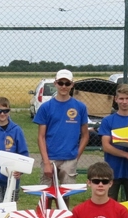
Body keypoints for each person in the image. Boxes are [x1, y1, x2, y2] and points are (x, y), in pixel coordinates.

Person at [34, 69, 88, 198]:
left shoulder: (80, 107)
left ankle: (64, 213)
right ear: (55, 84)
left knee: (65, 196)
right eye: (61, 83)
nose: (64, 86)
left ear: (72, 85)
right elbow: (41, 136)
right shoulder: (46, 107)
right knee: (46, 196)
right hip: (50, 157)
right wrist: (46, 162)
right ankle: (47, 212)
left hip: (69, 159)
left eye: (67, 83)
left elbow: (85, 135)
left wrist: (76, 156)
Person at [99, 84, 128, 202]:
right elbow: (106, 146)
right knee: (109, 205)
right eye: (121, 98)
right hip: (112, 171)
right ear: (116, 99)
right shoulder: (108, 120)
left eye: (127, 98)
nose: (124, 102)